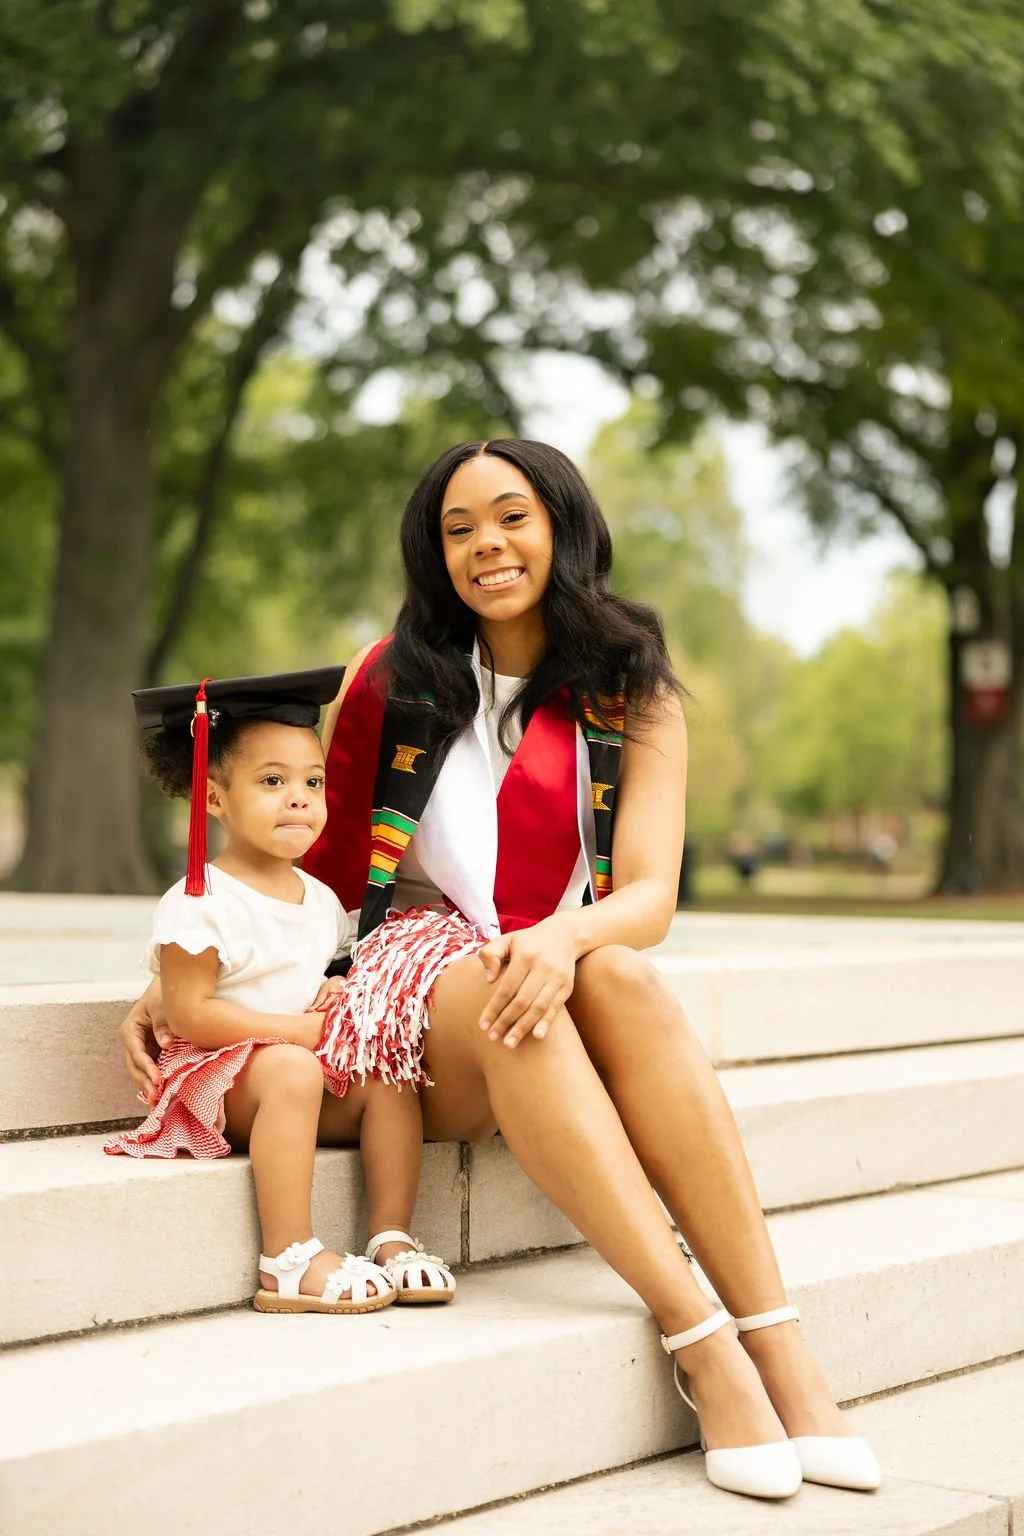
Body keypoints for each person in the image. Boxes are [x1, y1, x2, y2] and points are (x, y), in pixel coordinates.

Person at [121, 440, 879, 1499]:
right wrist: (180, 976)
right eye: (457, 527)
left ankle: (780, 1343)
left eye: (510, 516)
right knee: (513, 984)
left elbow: (649, 895)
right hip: (409, 994)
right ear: (435, 554)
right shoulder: (394, 679)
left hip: (543, 967)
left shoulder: (628, 686)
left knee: (616, 975)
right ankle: (699, 1338)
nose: (486, 545)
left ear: (561, 524)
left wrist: (565, 937)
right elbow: (317, 865)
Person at [108, 668, 455, 1314]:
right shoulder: (201, 901)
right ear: (214, 799)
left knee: (387, 1077)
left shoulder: (321, 901)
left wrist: (330, 994)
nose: (299, 798)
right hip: (224, 1077)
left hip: (295, 1071)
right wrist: (294, 1032)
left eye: (312, 782)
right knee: (294, 1070)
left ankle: (391, 1236)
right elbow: (188, 1014)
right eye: (273, 781)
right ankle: (288, 1257)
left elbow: (322, 976)